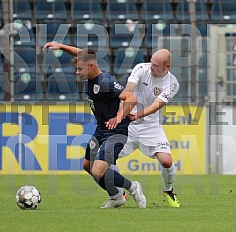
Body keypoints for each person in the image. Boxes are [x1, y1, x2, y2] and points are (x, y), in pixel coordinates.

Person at [43, 42, 147, 209]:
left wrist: (119, 116)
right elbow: (83, 53)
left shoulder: (105, 82)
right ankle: (116, 196)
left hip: (115, 131)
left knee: (98, 171)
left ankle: (133, 187)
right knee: (87, 165)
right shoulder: (90, 67)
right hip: (101, 129)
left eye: (80, 70)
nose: (77, 73)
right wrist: (61, 46)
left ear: (91, 67)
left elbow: (131, 99)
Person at [107, 49, 180, 208]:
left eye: (155, 65)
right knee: (106, 158)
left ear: (166, 67)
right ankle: (120, 193)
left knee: (166, 161)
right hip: (129, 124)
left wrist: (138, 114)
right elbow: (129, 89)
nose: (151, 67)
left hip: (151, 126)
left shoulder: (172, 83)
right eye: (151, 62)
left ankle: (168, 190)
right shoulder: (141, 68)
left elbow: (155, 106)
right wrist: (122, 113)